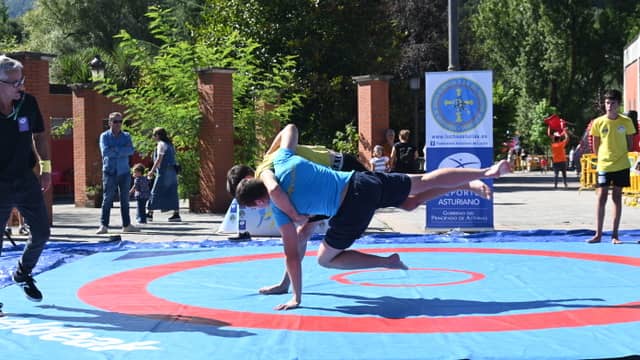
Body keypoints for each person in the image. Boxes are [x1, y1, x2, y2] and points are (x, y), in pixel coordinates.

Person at [235, 124, 511, 310]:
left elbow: (292, 254)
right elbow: (290, 129)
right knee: (420, 185)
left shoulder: (279, 208)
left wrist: (297, 296)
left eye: (257, 206)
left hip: (349, 208)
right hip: (361, 181)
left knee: (324, 258)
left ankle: (387, 262)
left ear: (259, 199)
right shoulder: (280, 159)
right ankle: (486, 172)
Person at [227, 140, 367, 294]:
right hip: (331, 183)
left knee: (385, 193)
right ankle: (285, 284)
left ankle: (285, 285)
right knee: (302, 235)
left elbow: (274, 189)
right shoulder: (267, 172)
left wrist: (295, 216)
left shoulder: (264, 173)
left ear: (248, 178)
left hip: (341, 173)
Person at [0, 54, 52, 301]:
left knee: (41, 233)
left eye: (22, 80)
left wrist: (46, 166)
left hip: (24, 178)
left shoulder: (28, 103)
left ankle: (22, 273)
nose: (21, 86)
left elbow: (40, 135)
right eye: (15, 83)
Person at [586, 89, 636, 244]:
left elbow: (630, 143)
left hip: (621, 164)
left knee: (617, 198)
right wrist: (602, 157)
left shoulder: (626, 122)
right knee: (601, 198)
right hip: (604, 165)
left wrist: (622, 154)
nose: (609, 106)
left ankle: (615, 235)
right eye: (607, 103)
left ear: (618, 104)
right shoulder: (598, 122)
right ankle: (598, 234)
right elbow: (595, 144)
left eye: (613, 103)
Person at [96, 112, 139, 234]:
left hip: (124, 172)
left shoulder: (126, 136)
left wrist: (115, 150)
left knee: (125, 199)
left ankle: (126, 225)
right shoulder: (104, 136)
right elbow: (105, 152)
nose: (118, 124)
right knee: (107, 199)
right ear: (109, 123)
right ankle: (104, 225)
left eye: (120, 121)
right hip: (109, 172)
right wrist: (121, 151)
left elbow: (131, 150)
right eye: (115, 121)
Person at [147, 127, 181, 222]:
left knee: (155, 191)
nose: (153, 137)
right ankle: (176, 214)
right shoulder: (170, 145)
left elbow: (159, 159)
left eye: (153, 135)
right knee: (172, 192)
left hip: (163, 171)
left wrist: (152, 171)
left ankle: (149, 213)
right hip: (172, 171)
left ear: (157, 135)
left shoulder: (161, 144)